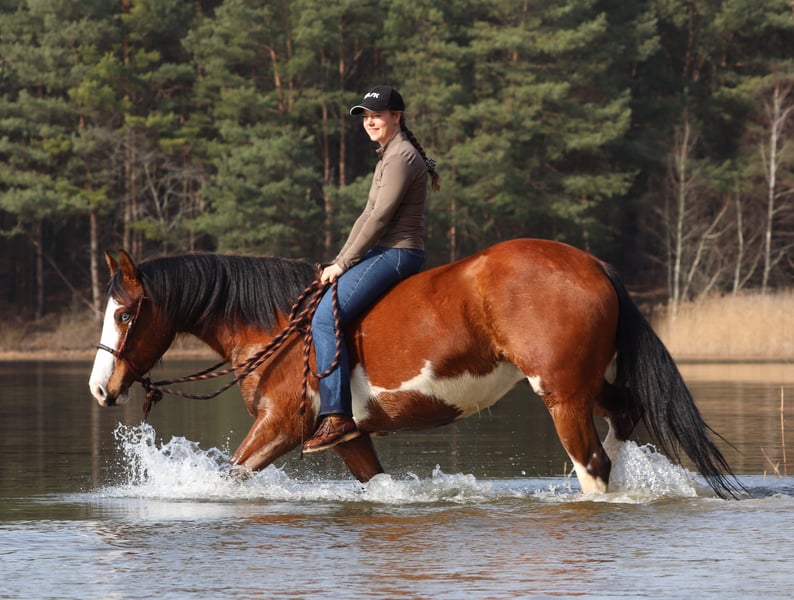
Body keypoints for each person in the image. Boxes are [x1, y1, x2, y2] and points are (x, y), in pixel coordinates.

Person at [302, 85, 441, 453]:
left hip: (397, 252)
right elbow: (366, 215)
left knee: (323, 318)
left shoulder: (401, 157)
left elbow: (379, 218)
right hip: (382, 249)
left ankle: (336, 416)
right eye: (366, 117)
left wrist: (344, 263)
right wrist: (339, 261)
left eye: (377, 115)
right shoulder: (389, 155)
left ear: (397, 117)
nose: (370, 122)